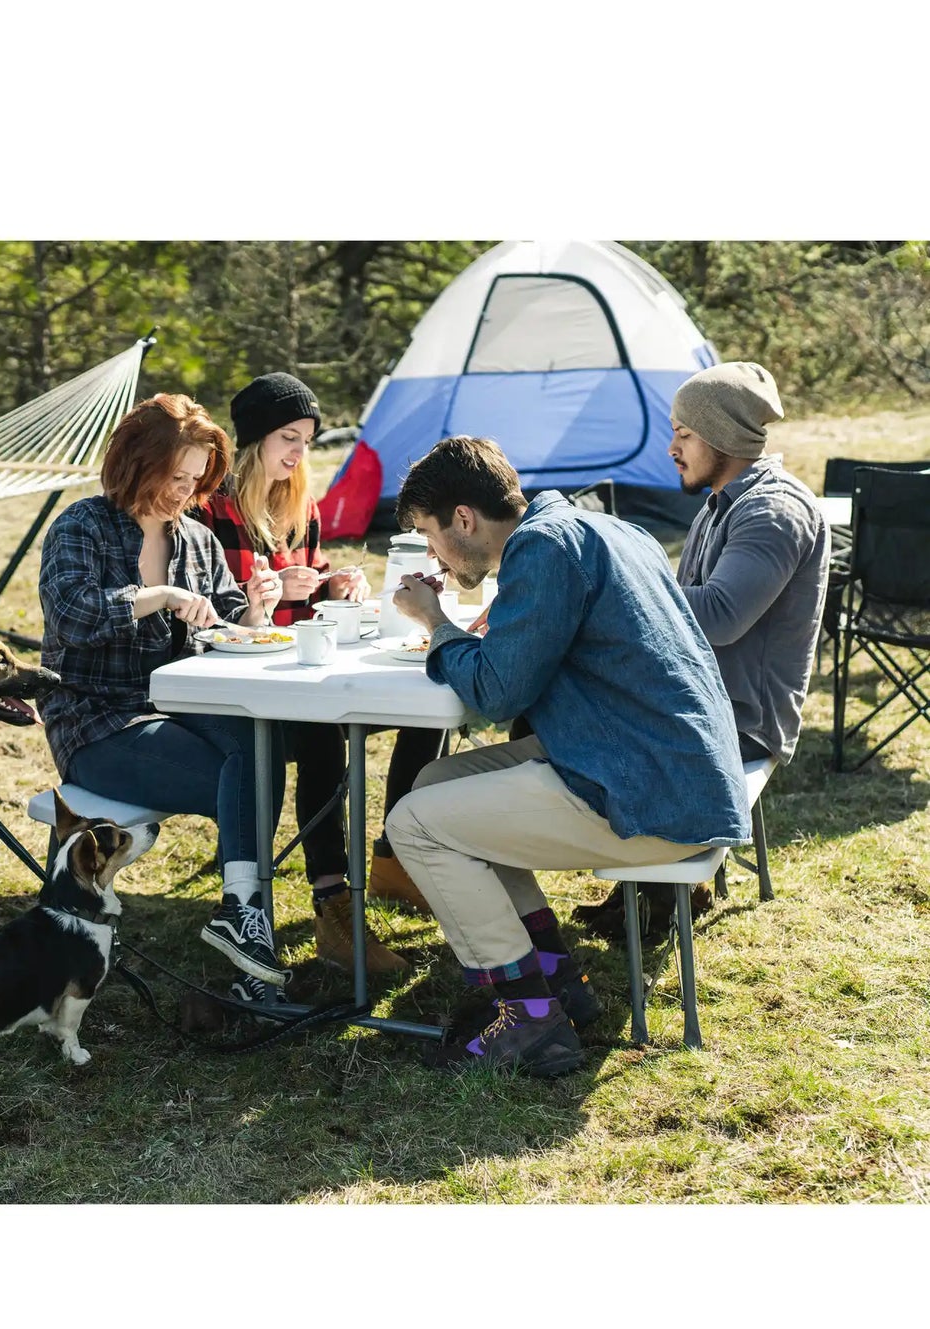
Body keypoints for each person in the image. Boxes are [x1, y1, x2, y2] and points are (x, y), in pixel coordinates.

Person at [383, 436, 750, 1077]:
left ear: (463, 518)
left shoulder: (543, 547)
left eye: (429, 534)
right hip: (671, 769)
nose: (434, 554)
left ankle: (528, 1018)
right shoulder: (599, 528)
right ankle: (555, 977)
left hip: (649, 794)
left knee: (413, 824)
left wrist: (435, 623)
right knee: (435, 781)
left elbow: (498, 694)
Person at [37, 392, 289, 1004]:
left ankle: (241, 916)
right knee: (249, 775)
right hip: (98, 723)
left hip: (182, 707)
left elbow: (226, 619)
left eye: (196, 479)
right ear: (135, 462)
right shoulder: (82, 526)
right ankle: (249, 932)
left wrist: (256, 609)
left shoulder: (198, 539)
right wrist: (158, 596)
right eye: (174, 477)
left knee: (263, 747)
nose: (184, 491)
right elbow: (71, 615)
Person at [194, 372, 445, 974]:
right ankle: (333, 902)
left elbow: (310, 596)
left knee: (427, 702)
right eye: (288, 437)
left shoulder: (298, 504)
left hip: (304, 665)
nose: (298, 453)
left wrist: (336, 584)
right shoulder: (211, 509)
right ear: (254, 439)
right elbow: (214, 611)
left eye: (306, 440)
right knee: (323, 738)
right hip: (249, 683)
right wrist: (272, 595)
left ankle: (392, 859)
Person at [576, 361, 830, 939]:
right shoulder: (726, 501)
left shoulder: (772, 511)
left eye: (683, 434)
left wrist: (618, 595)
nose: (671, 447)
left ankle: (658, 887)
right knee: (562, 698)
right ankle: (643, 880)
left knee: (570, 722)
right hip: (705, 698)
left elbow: (718, 616)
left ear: (722, 437)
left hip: (740, 718)